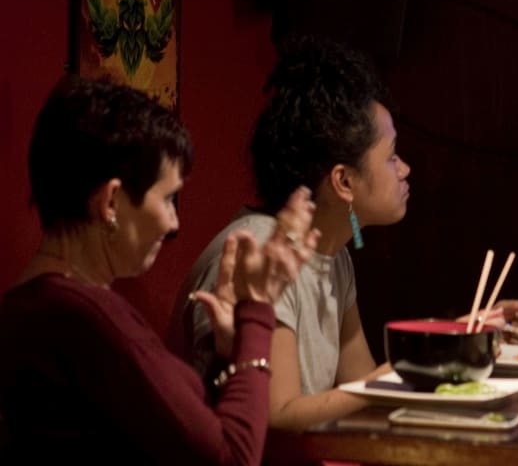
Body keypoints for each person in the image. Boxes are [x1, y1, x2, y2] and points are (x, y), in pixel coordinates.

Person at [0, 76, 316, 464]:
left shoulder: (28, 304)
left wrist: (229, 354)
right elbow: (232, 457)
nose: (173, 223)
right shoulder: (87, 318)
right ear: (111, 200)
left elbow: (181, 435)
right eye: (167, 198)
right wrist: (258, 310)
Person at [168, 35, 410, 431]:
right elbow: (277, 418)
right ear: (344, 182)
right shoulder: (263, 253)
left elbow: (357, 387)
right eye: (392, 155)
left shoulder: (336, 255)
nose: (404, 169)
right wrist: (403, 373)